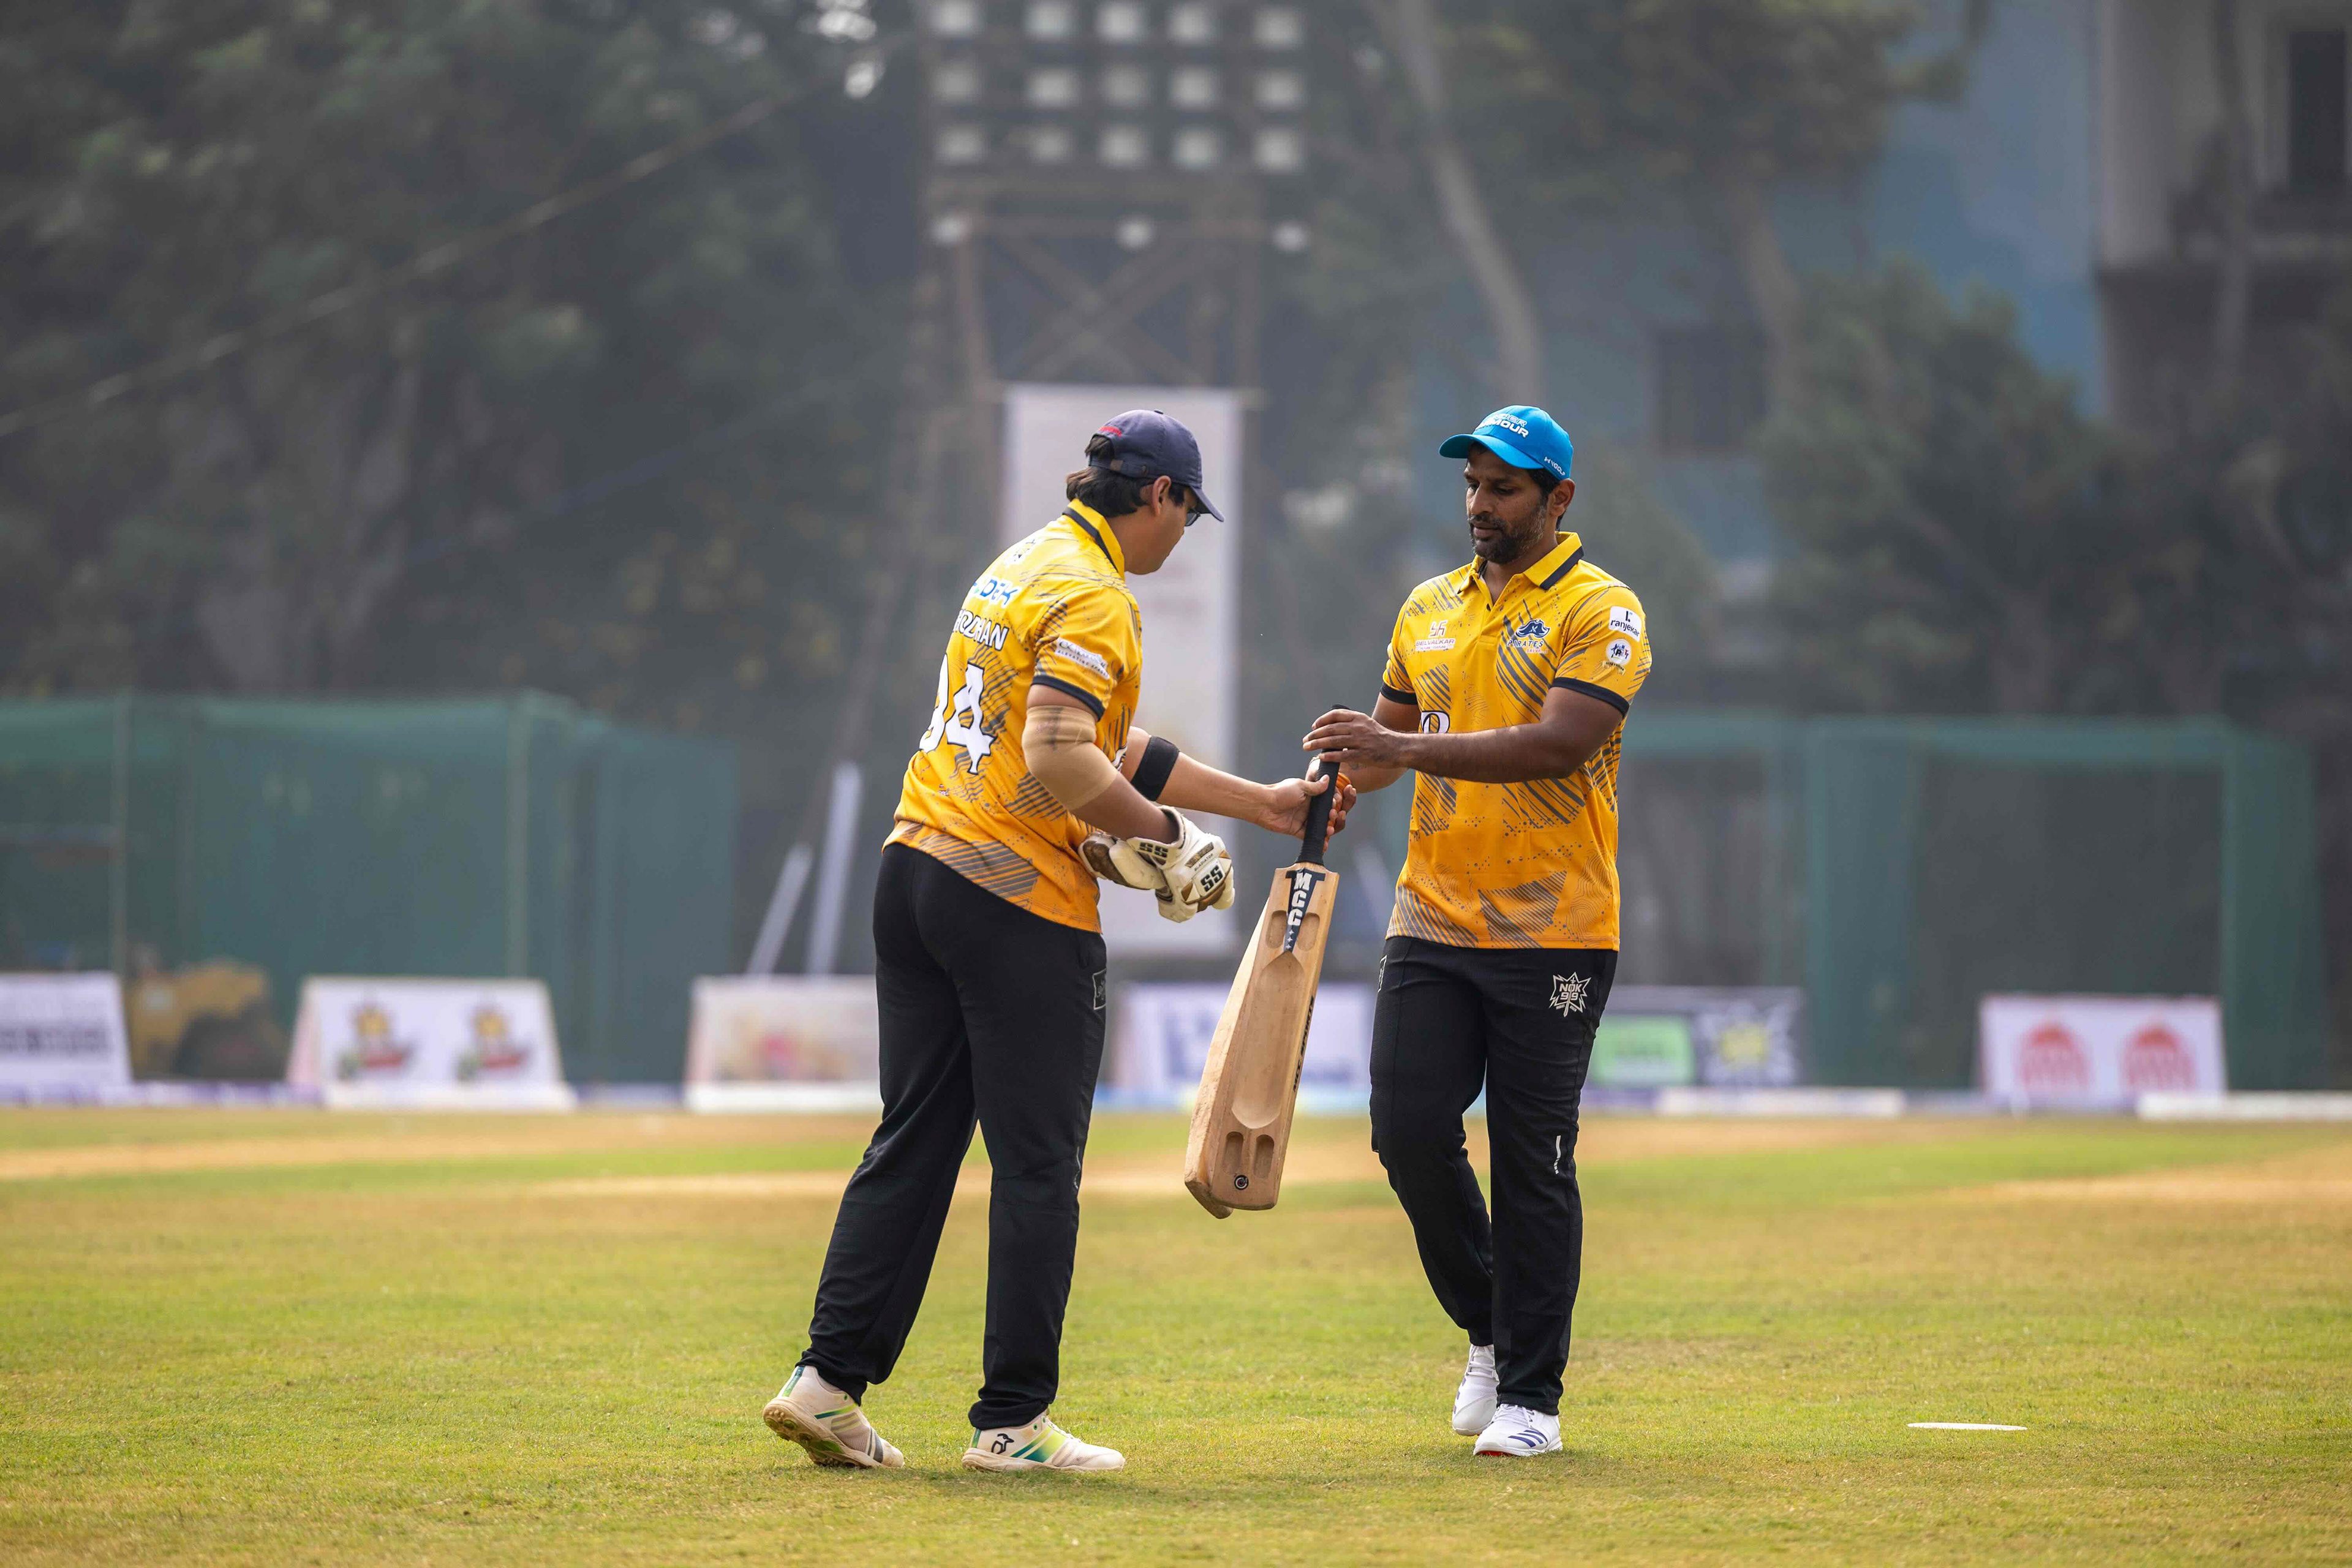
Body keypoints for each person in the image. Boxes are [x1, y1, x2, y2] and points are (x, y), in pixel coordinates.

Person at [764, 410, 1351, 1474]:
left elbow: (1105, 740)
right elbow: (1061, 752)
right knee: (1039, 1166)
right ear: (1162, 495)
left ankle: (827, 1384)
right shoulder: (1097, 593)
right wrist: (1168, 838)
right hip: (1012, 898)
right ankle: (1013, 1422)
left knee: (915, 1140)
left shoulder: (1026, 562)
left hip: (918, 868)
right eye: (1187, 514)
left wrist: (1257, 803)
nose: (1183, 534)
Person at [1303, 405, 1650, 1459]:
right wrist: (1340, 776)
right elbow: (1389, 743)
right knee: (1405, 1131)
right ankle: (1492, 1332)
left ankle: (1532, 1402)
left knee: (1532, 1161)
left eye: (1504, 488)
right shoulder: (1427, 607)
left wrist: (1403, 754)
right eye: (1472, 486)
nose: (1480, 506)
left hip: (1557, 929)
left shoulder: (1603, 608)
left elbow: (1559, 744)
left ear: (1558, 498)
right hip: (1433, 917)